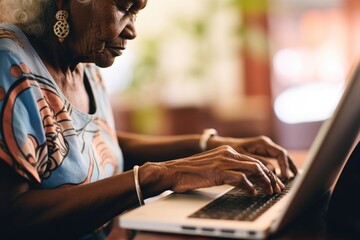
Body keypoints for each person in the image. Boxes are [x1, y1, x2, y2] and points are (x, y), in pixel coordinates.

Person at [0, 0, 298, 239]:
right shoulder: (8, 65)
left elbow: (99, 145)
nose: (131, 31)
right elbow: (11, 217)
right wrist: (163, 175)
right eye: (123, 8)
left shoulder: (84, 63)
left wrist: (212, 146)